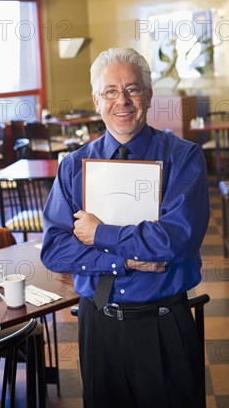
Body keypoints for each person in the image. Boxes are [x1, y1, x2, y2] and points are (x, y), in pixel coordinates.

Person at [41, 47, 210, 408]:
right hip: (97, 325)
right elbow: (55, 249)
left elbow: (174, 241)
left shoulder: (183, 158)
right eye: (111, 92)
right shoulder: (73, 166)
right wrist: (128, 261)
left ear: (148, 96)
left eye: (133, 90)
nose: (123, 101)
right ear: (97, 100)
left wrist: (99, 234)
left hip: (164, 323)